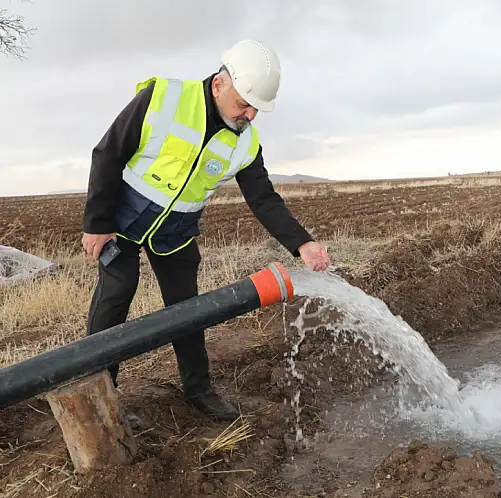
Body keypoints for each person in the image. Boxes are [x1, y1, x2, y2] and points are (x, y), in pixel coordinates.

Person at [80, 39, 330, 423]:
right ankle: (101, 397)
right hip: (122, 221)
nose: (249, 115)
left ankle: (198, 389)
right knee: (116, 294)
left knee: (187, 310)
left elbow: (263, 198)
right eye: (243, 104)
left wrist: (303, 244)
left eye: (256, 109)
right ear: (219, 85)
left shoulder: (246, 142)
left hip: (176, 231)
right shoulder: (163, 99)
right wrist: (97, 224)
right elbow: (108, 153)